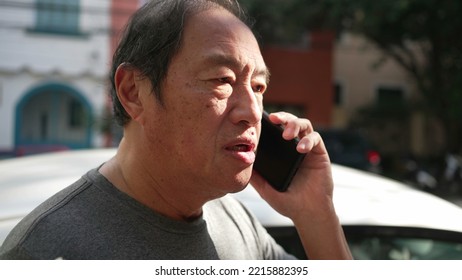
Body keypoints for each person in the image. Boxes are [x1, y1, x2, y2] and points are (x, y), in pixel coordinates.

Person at [0, 0, 352, 260]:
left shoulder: (236, 223)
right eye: (222, 80)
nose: (252, 113)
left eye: (258, 87)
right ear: (133, 92)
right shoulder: (44, 251)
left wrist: (316, 214)